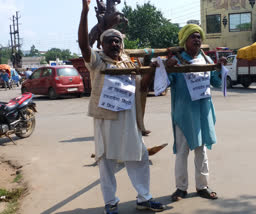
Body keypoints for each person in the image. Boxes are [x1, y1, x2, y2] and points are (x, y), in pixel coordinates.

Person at [78, 1, 164, 213]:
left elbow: (142, 86)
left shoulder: (128, 62)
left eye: (118, 41)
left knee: (139, 156)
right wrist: (85, 12)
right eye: (110, 41)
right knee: (106, 162)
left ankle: (144, 198)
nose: (115, 44)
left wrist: (151, 70)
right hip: (106, 119)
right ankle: (111, 203)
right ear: (102, 45)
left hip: (128, 118)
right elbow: (83, 46)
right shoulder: (97, 61)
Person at [166, 24, 221, 202]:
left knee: (201, 151)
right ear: (185, 40)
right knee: (182, 152)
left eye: (199, 37)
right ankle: (181, 188)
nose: (197, 39)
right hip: (183, 114)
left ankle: (202, 186)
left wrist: (219, 69)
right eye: (193, 36)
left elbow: (217, 82)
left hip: (202, 113)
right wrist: (167, 67)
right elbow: (165, 83)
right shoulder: (176, 60)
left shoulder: (206, 60)